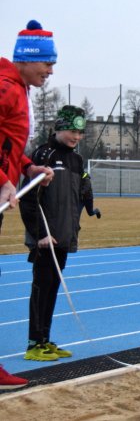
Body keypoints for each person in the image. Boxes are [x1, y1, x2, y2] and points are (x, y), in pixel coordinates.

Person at [0, 19, 57, 387]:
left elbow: (6, 144)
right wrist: (3, 179)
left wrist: (25, 166)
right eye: (47, 63)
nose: (50, 71)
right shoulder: (6, 89)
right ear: (27, 58)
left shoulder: (19, 90)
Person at [19, 105, 87, 361]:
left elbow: (74, 198)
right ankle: (33, 343)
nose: (76, 137)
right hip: (45, 238)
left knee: (53, 287)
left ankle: (45, 340)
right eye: (71, 130)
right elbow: (27, 199)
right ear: (58, 128)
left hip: (63, 235)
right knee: (41, 287)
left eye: (80, 132)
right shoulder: (43, 155)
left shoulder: (76, 159)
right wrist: (39, 235)